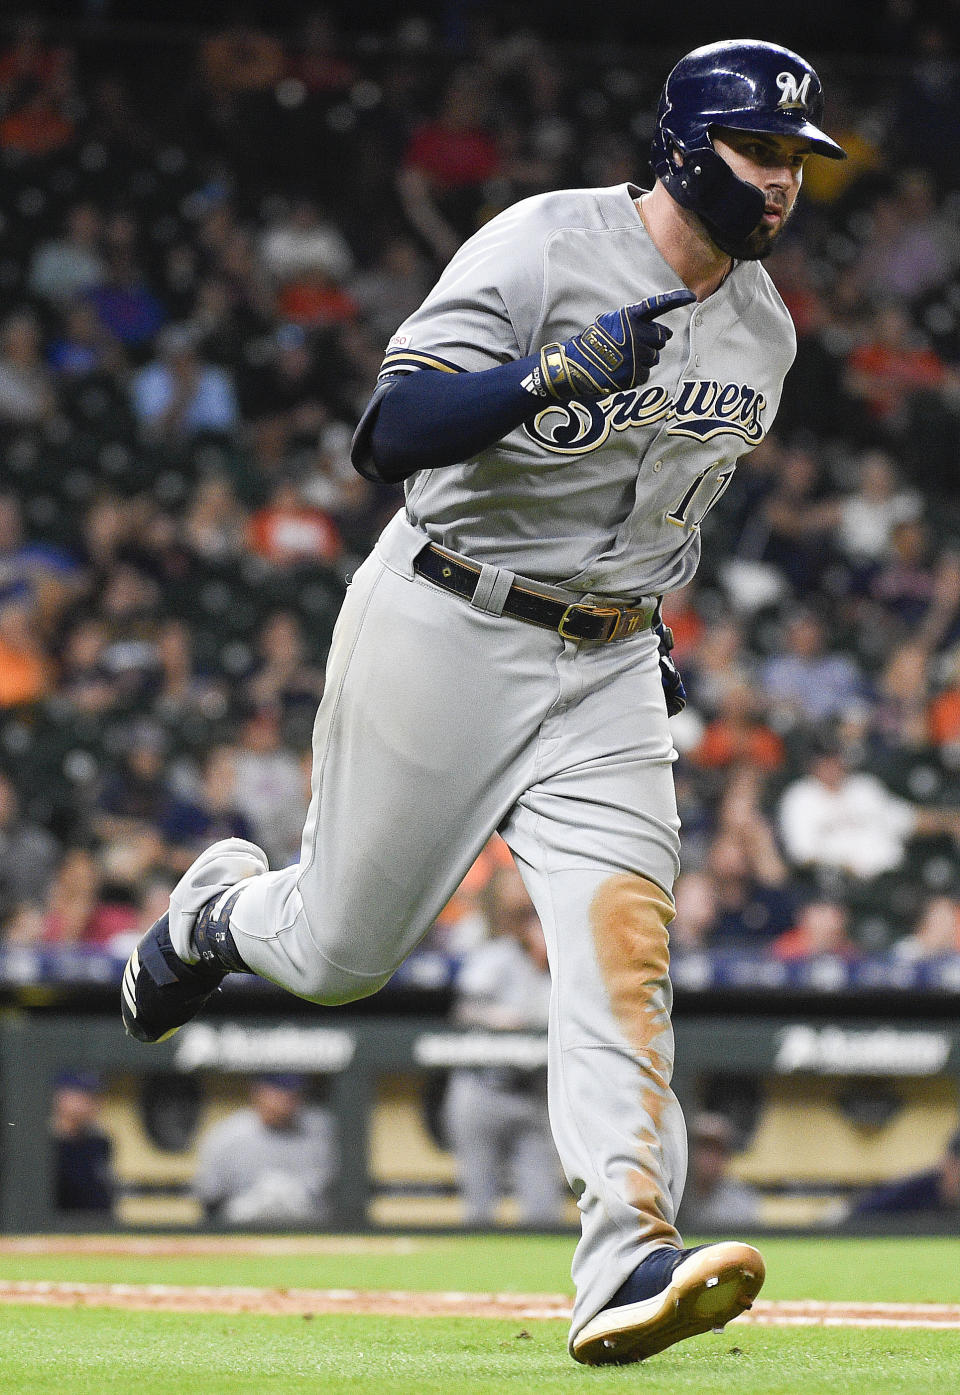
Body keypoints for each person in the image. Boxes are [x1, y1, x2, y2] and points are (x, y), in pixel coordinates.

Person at [122, 40, 845, 1365]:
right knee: (342, 954)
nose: (784, 182)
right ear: (686, 147)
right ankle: (218, 910)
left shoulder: (763, 330)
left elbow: (666, 505)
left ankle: (627, 1243)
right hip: (448, 612)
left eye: (799, 159)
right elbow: (385, 437)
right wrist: (551, 375)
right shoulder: (541, 245)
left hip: (609, 656)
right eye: (763, 151)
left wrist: (653, 622)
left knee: (623, 945)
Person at [442, 864, 567, 1227]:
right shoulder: (496, 956)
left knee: (544, 1210)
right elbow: (464, 1009)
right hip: (482, 1088)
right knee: (479, 1208)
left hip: (531, 1093)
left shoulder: (558, 976)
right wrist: (499, 1018)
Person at [192, 1074, 338, 1224]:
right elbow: (209, 1198)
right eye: (278, 1092)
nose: (285, 1101)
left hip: (311, 1231)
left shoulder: (323, 1130)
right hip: (242, 1232)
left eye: (293, 1094)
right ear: (257, 1092)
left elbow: (333, 1190)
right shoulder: (228, 1135)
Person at [676, 1113, 760, 1232]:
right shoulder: (672, 1194)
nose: (709, 1159)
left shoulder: (741, 1200)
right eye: (704, 1149)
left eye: (717, 1151)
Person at [50, 1070, 115, 1213]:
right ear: (62, 1095)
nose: (93, 1102)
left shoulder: (99, 1144)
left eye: (94, 1095)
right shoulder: (40, 1146)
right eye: (84, 1093)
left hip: (95, 1229)